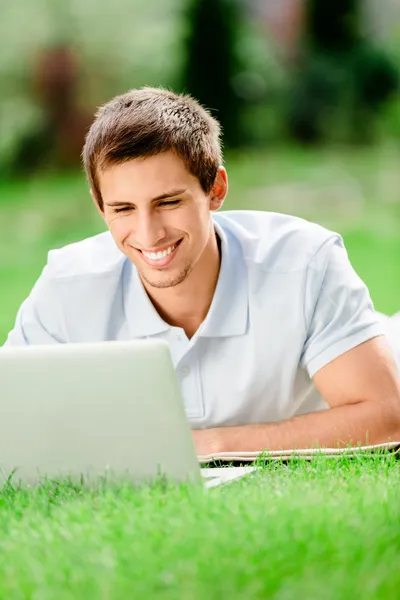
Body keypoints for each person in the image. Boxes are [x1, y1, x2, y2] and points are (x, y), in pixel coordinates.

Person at [4, 87, 400, 456]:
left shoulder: (304, 262)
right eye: (123, 209)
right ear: (99, 205)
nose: (148, 234)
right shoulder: (67, 285)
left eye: (168, 202)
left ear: (216, 189)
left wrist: (209, 445)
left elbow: (386, 418)